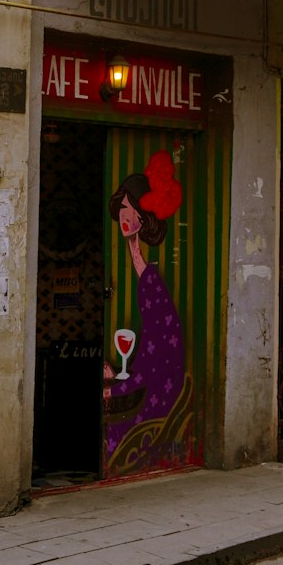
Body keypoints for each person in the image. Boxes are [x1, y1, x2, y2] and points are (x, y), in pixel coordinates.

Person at [105, 151, 191, 475]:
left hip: (157, 389)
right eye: (122, 209)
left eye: (129, 208)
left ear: (143, 214)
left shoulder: (152, 281)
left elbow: (161, 355)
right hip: (149, 376)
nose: (124, 216)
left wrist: (119, 385)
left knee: (113, 423)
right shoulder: (146, 273)